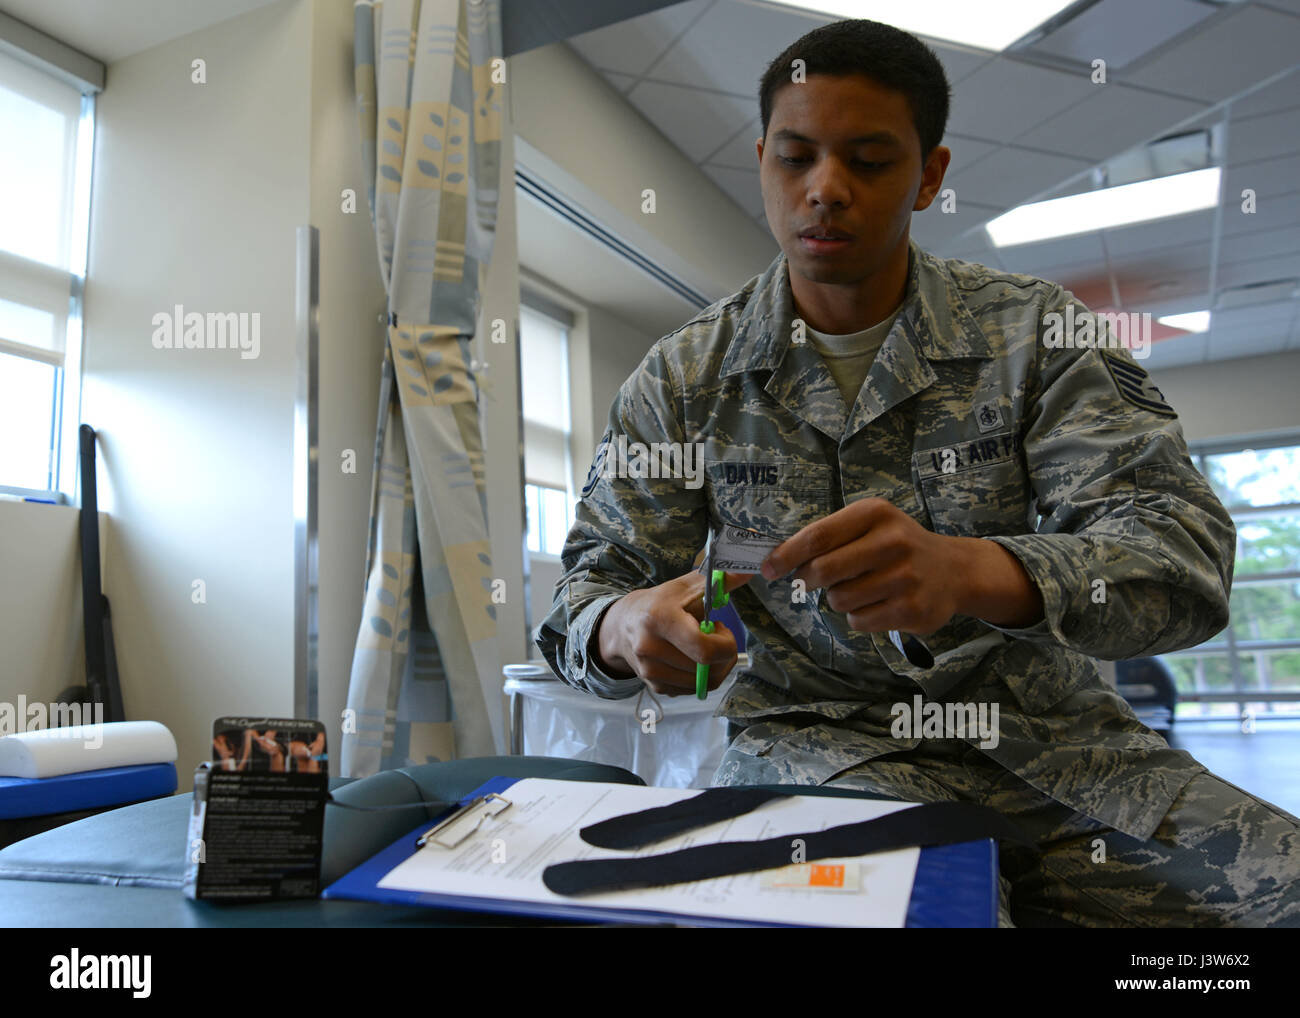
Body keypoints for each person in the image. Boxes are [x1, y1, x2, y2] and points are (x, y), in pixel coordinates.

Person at [535, 18, 1300, 927]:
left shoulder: (1035, 339)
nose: (825, 189)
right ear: (762, 162)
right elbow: (587, 595)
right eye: (797, 157)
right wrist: (624, 625)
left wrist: (975, 572)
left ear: (929, 175)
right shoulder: (684, 380)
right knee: (936, 919)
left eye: (867, 159)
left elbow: (1185, 562)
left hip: (1065, 751)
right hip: (828, 754)